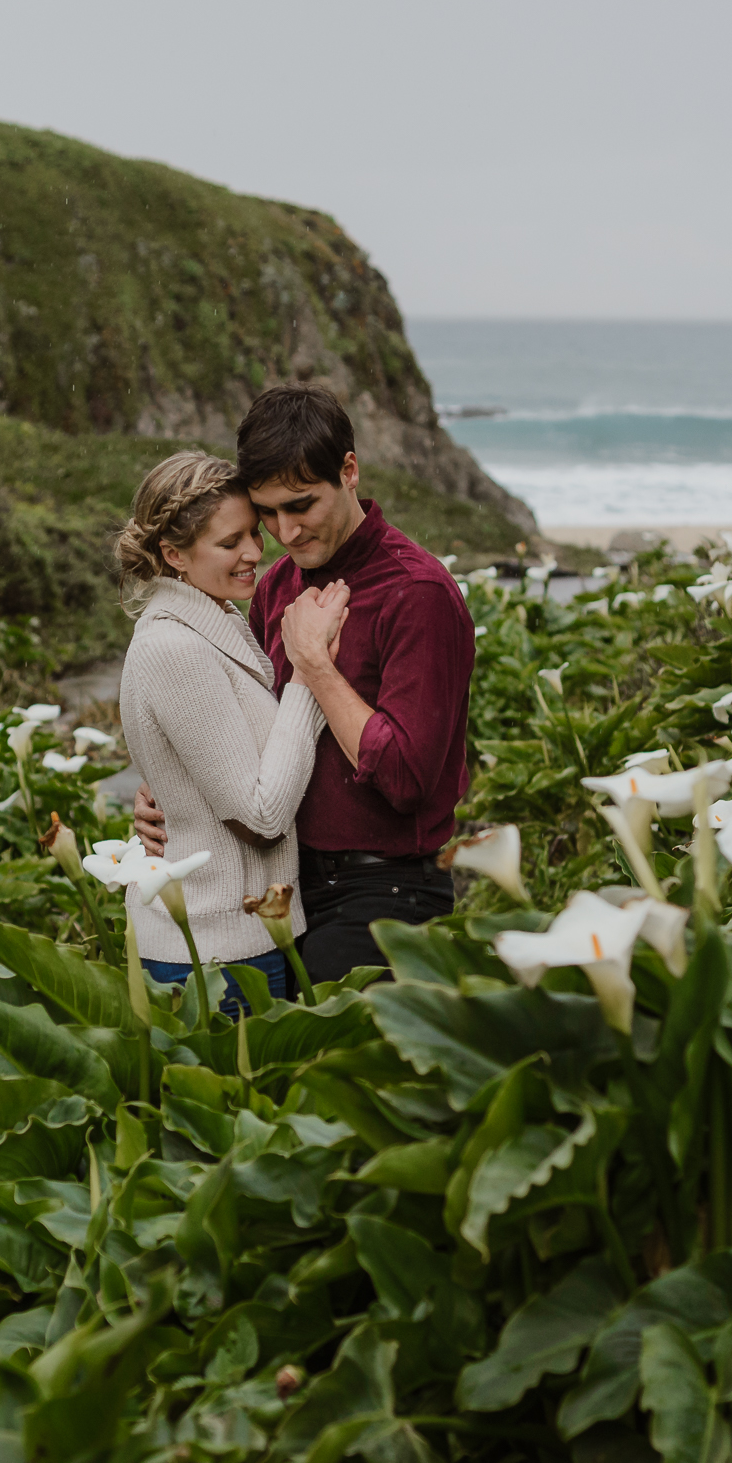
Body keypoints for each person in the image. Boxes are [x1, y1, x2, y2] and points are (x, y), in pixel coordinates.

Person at [134, 386, 476, 986]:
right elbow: (254, 738)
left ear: (348, 471)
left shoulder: (417, 594)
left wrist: (316, 667)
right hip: (284, 890)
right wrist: (176, 794)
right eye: (267, 513)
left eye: (301, 505)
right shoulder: (276, 587)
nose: (285, 533)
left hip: (384, 893)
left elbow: (406, 781)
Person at [113, 450, 351, 1012]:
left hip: (236, 939)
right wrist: (309, 675)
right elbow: (260, 816)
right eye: (229, 543)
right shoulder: (175, 648)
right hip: (215, 952)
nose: (253, 553)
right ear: (173, 555)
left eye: (252, 533)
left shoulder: (216, 619)